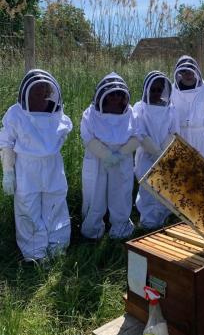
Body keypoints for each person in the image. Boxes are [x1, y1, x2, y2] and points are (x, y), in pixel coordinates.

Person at [0, 69, 72, 262]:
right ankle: (35, 254)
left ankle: (57, 248)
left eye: (43, 88)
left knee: (55, 204)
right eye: (35, 89)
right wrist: (8, 173)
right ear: (25, 92)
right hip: (26, 169)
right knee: (27, 207)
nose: (39, 92)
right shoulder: (15, 114)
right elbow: (6, 144)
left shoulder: (55, 111)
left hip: (53, 168)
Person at [80, 72, 138, 240]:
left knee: (121, 195)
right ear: (102, 95)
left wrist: (120, 154)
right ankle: (92, 231)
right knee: (94, 195)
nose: (115, 98)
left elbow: (137, 136)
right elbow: (88, 137)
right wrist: (106, 155)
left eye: (118, 94)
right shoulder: (90, 113)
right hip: (97, 160)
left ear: (124, 96)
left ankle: (121, 230)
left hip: (122, 159)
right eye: (111, 94)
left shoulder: (132, 113)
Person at [133, 71, 178, 229]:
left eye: (160, 90)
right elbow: (139, 133)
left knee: (164, 189)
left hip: (165, 157)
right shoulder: (139, 108)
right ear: (146, 90)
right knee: (148, 191)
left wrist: (163, 151)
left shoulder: (171, 109)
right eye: (153, 90)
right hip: (146, 156)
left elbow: (173, 132)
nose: (156, 93)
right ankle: (148, 223)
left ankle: (163, 219)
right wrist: (155, 152)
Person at [170, 55, 204, 156]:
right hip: (179, 138)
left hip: (202, 139)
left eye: (191, 70)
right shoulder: (171, 90)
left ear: (195, 71)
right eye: (184, 71)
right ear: (179, 72)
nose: (188, 74)